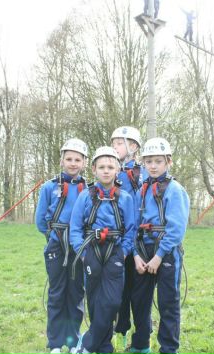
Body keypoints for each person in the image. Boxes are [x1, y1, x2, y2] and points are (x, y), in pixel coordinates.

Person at [70, 147, 136, 354]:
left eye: (110, 167)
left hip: (115, 251)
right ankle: (104, 347)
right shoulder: (85, 196)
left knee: (113, 301)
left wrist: (124, 252)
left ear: (117, 170)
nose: (106, 171)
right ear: (94, 169)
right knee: (95, 300)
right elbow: (75, 228)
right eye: (101, 167)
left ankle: (87, 344)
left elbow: (131, 229)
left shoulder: (125, 198)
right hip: (91, 250)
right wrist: (82, 253)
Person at [130, 138, 190, 354]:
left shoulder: (175, 190)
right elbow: (134, 224)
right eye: (149, 162)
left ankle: (169, 349)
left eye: (158, 161)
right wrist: (136, 254)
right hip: (143, 250)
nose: (153, 166)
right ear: (143, 163)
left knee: (167, 303)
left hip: (166, 253)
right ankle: (140, 344)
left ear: (168, 162)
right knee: (139, 300)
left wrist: (159, 256)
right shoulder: (141, 190)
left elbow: (176, 228)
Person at [35, 138, 89, 354]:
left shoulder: (89, 190)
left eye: (77, 160)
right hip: (57, 246)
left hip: (79, 246)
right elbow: (40, 219)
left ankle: (73, 340)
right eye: (69, 159)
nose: (73, 163)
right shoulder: (49, 187)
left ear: (84, 162)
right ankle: (55, 343)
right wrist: (53, 237)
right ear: (61, 161)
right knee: (57, 293)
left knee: (76, 293)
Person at [110, 126, 145, 350]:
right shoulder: (111, 171)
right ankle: (121, 331)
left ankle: (142, 337)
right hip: (119, 242)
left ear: (132, 146)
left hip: (140, 243)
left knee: (139, 294)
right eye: (113, 143)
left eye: (118, 143)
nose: (114, 147)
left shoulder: (143, 173)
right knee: (120, 292)